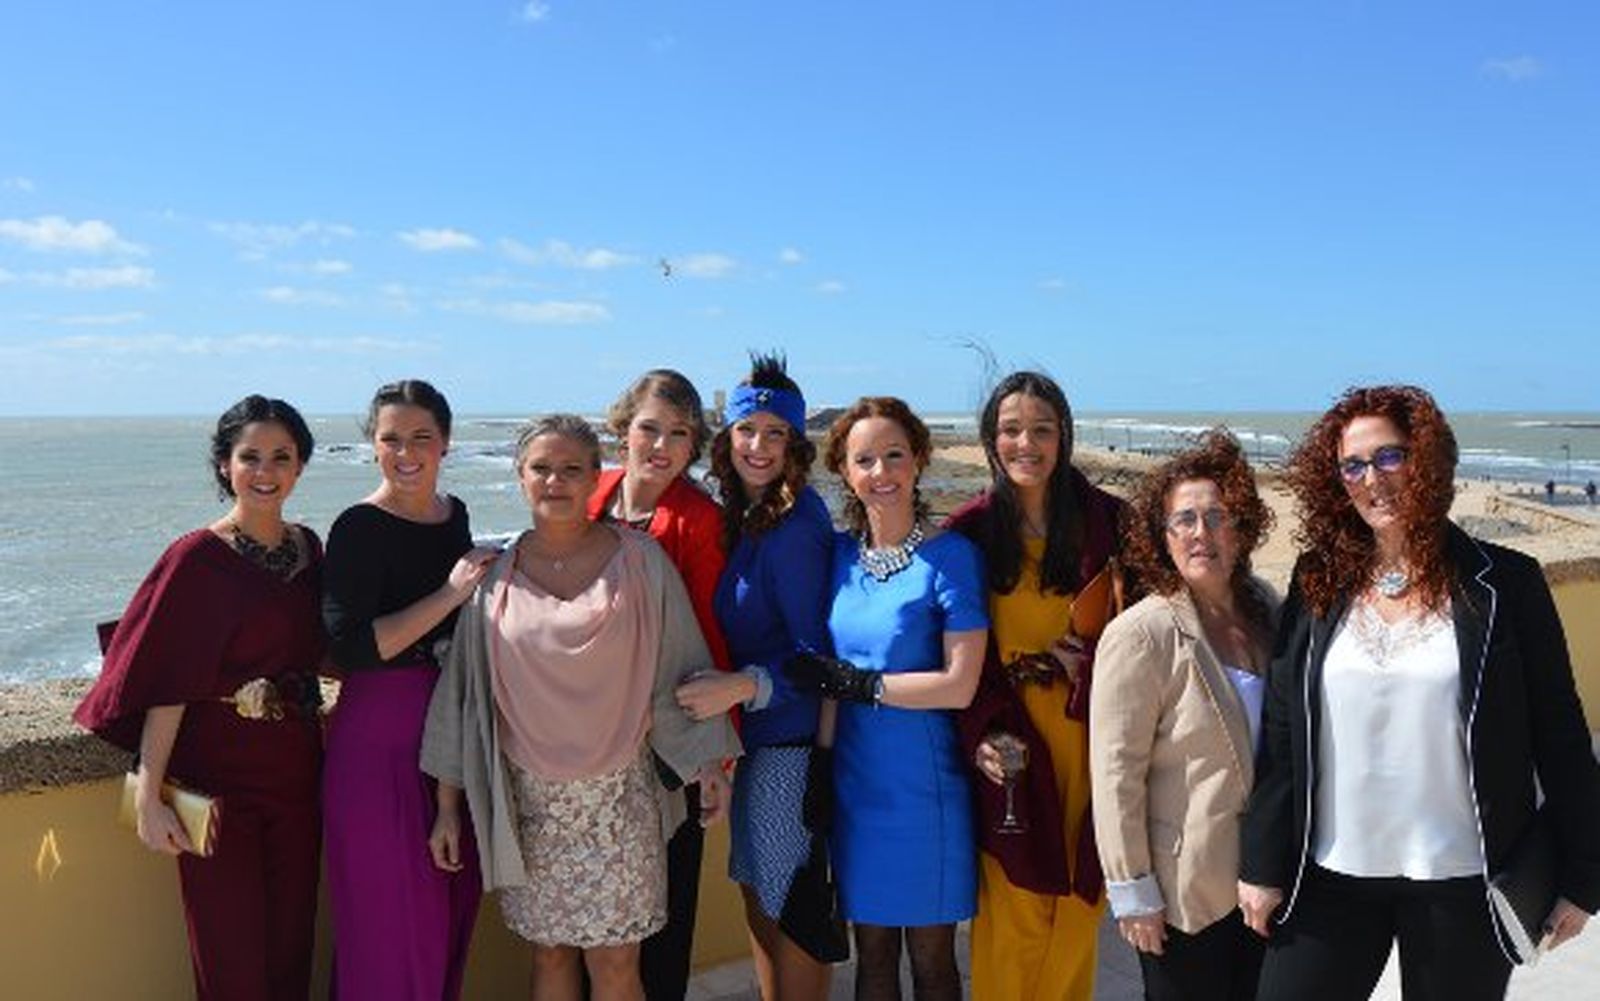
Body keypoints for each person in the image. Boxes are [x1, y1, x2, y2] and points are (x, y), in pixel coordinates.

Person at [1238, 385, 1600, 1000]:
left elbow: (1560, 733)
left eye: (1390, 456)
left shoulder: (1506, 583)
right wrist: (1262, 863)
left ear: (1427, 461)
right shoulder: (1317, 578)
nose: (1372, 478)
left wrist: (1584, 877)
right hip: (1331, 871)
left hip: (1462, 881)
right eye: (1353, 465)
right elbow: (1282, 730)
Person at [421, 414, 740, 1001]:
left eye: (572, 469)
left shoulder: (641, 561)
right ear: (520, 476)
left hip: (622, 798)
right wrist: (446, 807)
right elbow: (463, 698)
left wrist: (709, 765)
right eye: (541, 468)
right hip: (531, 802)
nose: (555, 481)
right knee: (549, 955)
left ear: (596, 476)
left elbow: (682, 665)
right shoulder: (490, 580)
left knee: (617, 962)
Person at [75, 395, 325, 1001]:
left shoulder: (310, 549)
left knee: (291, 951)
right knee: (230, 960)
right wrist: (148, 796)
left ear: (299, 466)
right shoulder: (195, 558)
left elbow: (325, 648)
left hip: (298, 778)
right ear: (223, 465)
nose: (265, 471)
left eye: (281, 457)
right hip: (217, 785)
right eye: (249, 457)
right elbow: (166, 679)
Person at [787, 396, 989, 1001]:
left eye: (894, 455)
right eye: (864, 460)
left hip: (925, 788)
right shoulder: (840, 557)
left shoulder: (951, 557)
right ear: (844, 472)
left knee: (932, 960)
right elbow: (829, 672)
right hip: (856, 784)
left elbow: (960, 684)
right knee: (872, 957)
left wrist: (865, 686)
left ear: (919, 459)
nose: (882, 472)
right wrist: (822, 766)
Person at [946, 371, 1125, 1001]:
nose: (1026, 444)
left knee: (1079, 901)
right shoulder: (968, 533)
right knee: (1014, 907)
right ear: (991, 440)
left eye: (1042, 430)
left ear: (1064, 436)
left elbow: (1150, 629)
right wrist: (981, 734)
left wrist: (1095, 660)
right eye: (1011, 430)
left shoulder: (1110, 522)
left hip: (1088, 735)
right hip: (1009, 740)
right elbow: (949, 649)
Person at [321, 380, 499, 1001]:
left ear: (445, 442)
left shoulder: (455, 515)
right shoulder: (357, 527)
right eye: (391, 438)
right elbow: (353, 648)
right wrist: (451, 593)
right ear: (372, 445)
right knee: (390, 923)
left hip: (451, 731)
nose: (406, 452)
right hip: (379, 740)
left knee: (447, 913)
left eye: (421, 437)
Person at [674, 353, 842, 1000]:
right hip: (752, 741)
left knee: (789, 912)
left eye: (776, 433)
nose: (759, 446)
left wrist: (743, 685)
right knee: (760, 900)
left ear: (795, 444)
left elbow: (816, 653)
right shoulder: (741, 515)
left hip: (789, 746)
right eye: (747, 430)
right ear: (727, 436)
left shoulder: (796, 525)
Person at [1090, 430, 1276, 1001]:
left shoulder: (1269, 609)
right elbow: (1115, 773)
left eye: (1218, 516)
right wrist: (1132, 890)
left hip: (1267, 880)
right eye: (1185, 520)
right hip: (1184, 892)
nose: (1202, 532)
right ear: (1162, 535)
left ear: (1242, 527)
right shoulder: (1140, 634)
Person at [588, 369, 731, 1001]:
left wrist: (712, 757)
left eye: (679, 434)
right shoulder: (593, 493)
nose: (661, 446)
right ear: (624, 429)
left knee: (664, 918)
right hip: (592, 737)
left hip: (667, 742)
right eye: (650, 428)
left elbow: (709, 641)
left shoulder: (698, 519)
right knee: (597, 916)